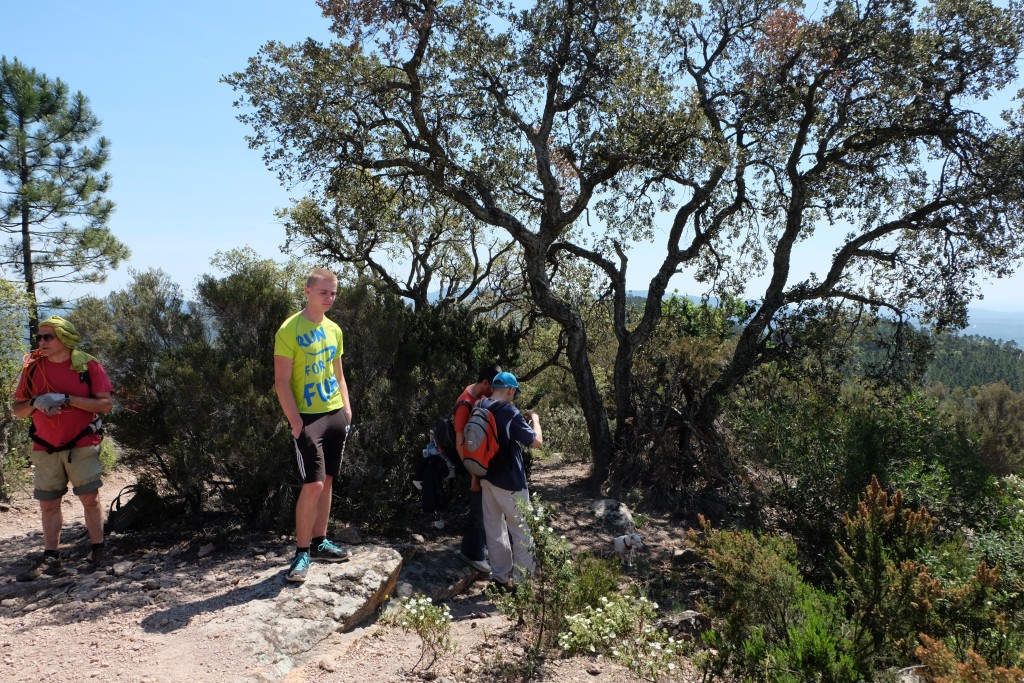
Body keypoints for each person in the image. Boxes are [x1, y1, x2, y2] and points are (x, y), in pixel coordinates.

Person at [12, 316, 113, 580]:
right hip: (44, 446)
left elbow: (104, 405)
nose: (41, 341)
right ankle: (51, 557)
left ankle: (99, 550)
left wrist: (67, 399)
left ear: (64, 338)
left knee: (90, 498)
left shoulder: (87, 365)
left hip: (82, 443)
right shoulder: (33, 368)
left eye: (48, 337)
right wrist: (36, 402)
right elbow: (19, 411)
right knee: (48, 503)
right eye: (40, 337)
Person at [274, 268, 354, 583]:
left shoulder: (334, 329)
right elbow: (281, 382)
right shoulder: (289, 330)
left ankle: (320, 542)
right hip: (307, 419)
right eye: (324, 292)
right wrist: (296, 424)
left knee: (328, 481)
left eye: (333, 293)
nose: (329, 298)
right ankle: (302, 551)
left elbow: (339, 374)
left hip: (334, 413)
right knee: (314, 484)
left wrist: (346, 410)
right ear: (308, 292)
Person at [477, 371, 542, 589]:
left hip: (486, 477)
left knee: (494, 529)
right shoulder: (509, 412)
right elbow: (535, 442)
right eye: (514, 391)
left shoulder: (480, 406)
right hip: (511, 482)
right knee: (522, 532)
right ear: (510, 389)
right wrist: (535, 420)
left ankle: (500, 578)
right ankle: (523, 586)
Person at [452, 364, 502, 574]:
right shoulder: (466, 404)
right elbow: (459, 442)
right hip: (470, 463)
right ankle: (473, 553)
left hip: (477, 461)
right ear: (484, 383)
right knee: (477, 508)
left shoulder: (473, 392)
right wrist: (473, 473)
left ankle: (476, 548)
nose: (494, 393)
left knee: (482, 505)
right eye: (493, 387)